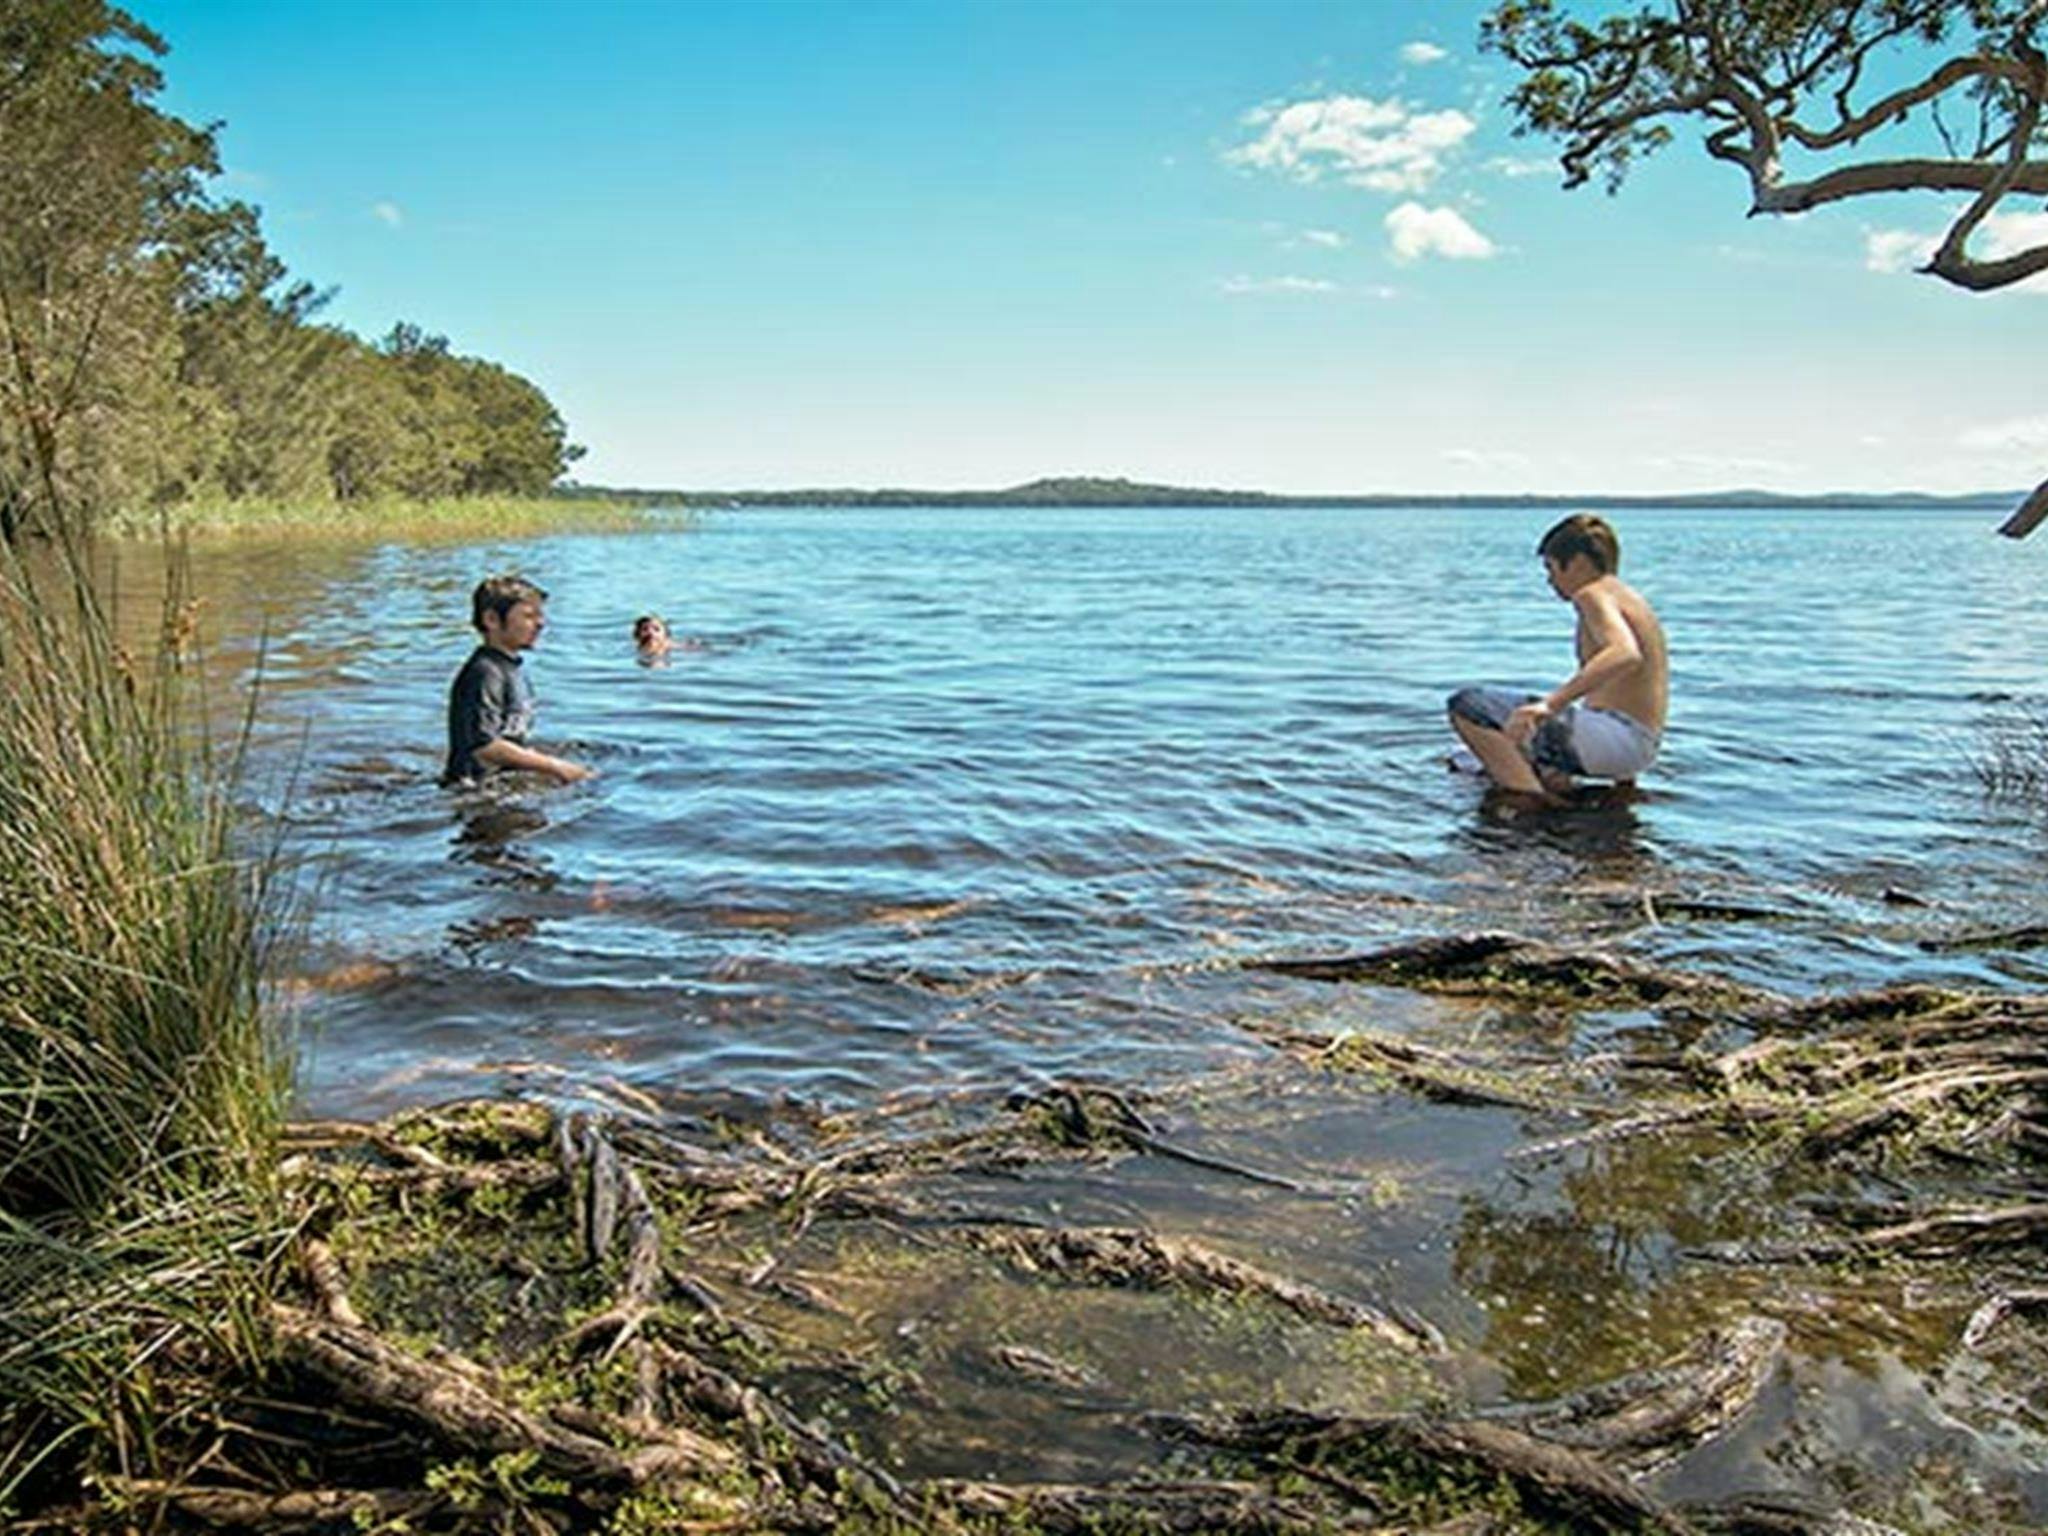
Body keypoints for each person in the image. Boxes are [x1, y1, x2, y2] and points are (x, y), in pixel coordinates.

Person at [1446, 514, 1666, 798]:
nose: (1550, 580)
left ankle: (1530, 799)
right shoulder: (1631, 599)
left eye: (1550, 567)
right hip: (1637, 748)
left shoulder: (1592, 594)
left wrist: (1548, 706)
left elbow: (1624, 653)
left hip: (1615, 741)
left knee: (1468, 705)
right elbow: (1624, 686)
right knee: (1473, 756)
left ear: (1577, 562)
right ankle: (1556, 781)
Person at [442, 574, 593, 786]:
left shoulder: (510, 668)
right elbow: (484, 747)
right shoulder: (484, 672)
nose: (540, 624)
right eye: (529, 616)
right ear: (491, 620)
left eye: (540, 616)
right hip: (474, 788)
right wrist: (557, 767)